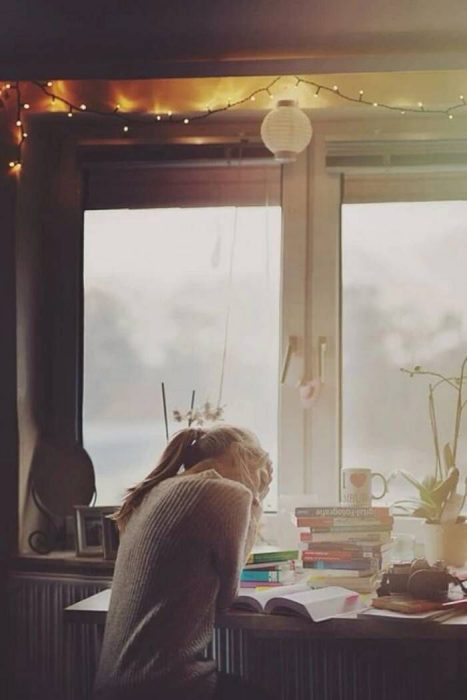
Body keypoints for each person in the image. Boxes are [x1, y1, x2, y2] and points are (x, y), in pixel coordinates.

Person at [93, 424, 275, 700]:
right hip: (165, 687)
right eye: (262, 467)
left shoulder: (158, 490)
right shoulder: (228, 493)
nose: (263, 479)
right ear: (242, 454)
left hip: (114, 687)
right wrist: (256, 501)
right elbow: (227, 598)